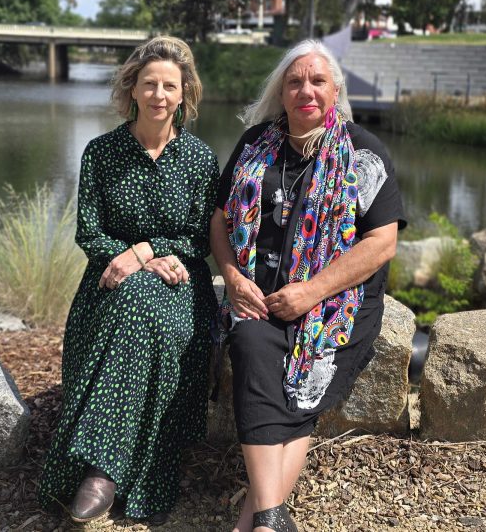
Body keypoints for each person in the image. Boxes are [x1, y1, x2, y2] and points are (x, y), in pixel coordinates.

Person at [211, 40, 405, 532]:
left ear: (334, 90)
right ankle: (273, 519)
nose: (306, 90)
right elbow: (218, 219)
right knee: (252, 345)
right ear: (282, 90)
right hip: (260, 297)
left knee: (302, 385)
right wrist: (233, 275)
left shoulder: (363, 152)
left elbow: (382, 242)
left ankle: (252, 522)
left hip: (334, 306)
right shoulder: (256, 144)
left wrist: (311, 291)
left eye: (317, 81)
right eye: (295, 81)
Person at [39, 36, 220, 524]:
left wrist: (146, 251)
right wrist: (131, 259)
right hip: (109, 281)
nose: (159, 94)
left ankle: (100, 472)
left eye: (169, 86)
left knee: (144, 303)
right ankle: (109, 468)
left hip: (181, 285)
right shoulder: (101, 153)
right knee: (135, 299)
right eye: (149, 84)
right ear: (132, 90)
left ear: (184, 95)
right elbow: (89, 233)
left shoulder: (201, 159)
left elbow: (200, 239)